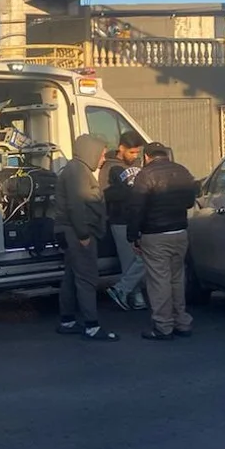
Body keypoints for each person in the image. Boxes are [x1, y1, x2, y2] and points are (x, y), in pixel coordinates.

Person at [125, 142, 198, 341]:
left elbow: (136, 208)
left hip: (155, 235)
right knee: (177, 278)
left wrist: (132, 236)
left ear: (147, 156)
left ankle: (163, 326)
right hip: (180, 231)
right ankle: (181, 321)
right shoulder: (182, 171)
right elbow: (190, 201)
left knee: (159, 281)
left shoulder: (145, 175)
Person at [52, 133, 119, 341]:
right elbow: (76, 204)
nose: (103, 158)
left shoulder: (75, 169)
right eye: (101, 154)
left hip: (69, 231)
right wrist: (83, 234)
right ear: (91, 152)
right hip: (78, 233)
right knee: (87, 278)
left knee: (71, 278)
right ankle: (92, 326)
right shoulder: (78, 171)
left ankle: (68, 321)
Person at [98, 131, 148, 311]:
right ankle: (133, 294)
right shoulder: (109, 167)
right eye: (132, 152)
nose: (135, 156)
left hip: (139, 218)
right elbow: (104, 193)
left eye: (137, 152)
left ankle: (125, 290)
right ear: (121, 148)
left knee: (143, 257)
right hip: (120, 219)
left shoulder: (138, 164)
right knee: (129, 260)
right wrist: (129, 192)